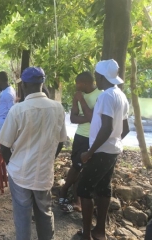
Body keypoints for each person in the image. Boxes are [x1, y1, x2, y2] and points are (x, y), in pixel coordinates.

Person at [0, 67, 67, 240]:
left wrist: (12, 164)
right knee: (44, 213)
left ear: (25, 85)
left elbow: (4, 146)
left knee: (22, 217)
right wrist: (48, 159)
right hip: (44, 173)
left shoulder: (18, 110)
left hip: (20, 173)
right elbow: (61, 141)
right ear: (41, 83)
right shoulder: (58, 108)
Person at [79, 59, 130, 240]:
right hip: (112, 151)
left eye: (97, 76)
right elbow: (125, 129)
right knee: (103, 189)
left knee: (84, 189)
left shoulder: (107, 96)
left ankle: (86, 234)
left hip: (101, 152)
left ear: (100, 77)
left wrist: (90, 152)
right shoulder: (121, 96)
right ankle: (99, 232)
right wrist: (113, 143)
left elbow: (107, 127)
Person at [59, 72, 102, 213]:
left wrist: (82, 102)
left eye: (77, 83)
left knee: (81, 167)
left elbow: (92, 118)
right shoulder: (79, 94)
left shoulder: (100, 95)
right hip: (80, 136)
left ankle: (66, 191)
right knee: (76, 166)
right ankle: (74, 199)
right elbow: (73, 118)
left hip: (92, 137)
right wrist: (77, 102)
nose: (76, 86)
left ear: (84, 83)